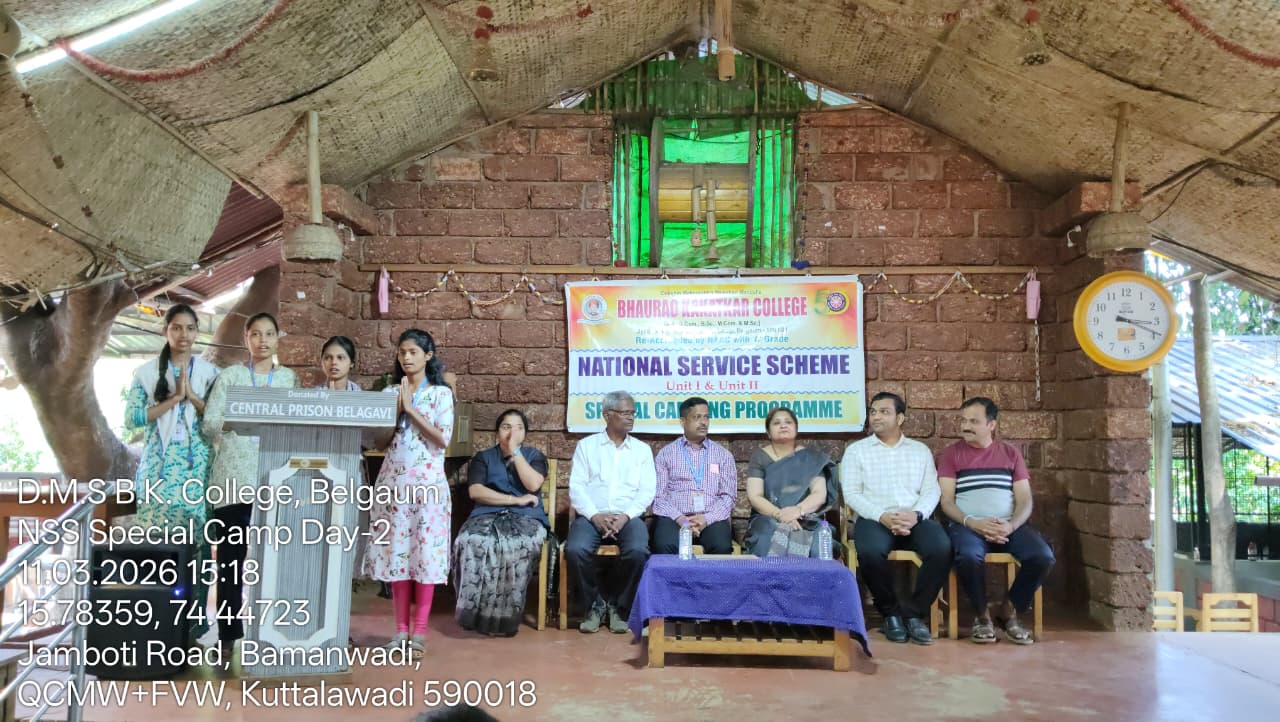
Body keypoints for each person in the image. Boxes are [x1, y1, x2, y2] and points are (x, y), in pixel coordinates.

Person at [203, 312, 297, 661]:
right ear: (246, 339)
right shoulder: (230, 377)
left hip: (275, 480)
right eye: (255, 334)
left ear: (277, 338)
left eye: (269, 334)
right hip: (233, 480)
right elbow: (210, 424)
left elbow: (295, 423)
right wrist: (242, 419)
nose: (262, 340)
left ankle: (274, 632)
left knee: (275, 560)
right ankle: (228, 635)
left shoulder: (287, 379)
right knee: (231, 563)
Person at [124, 303, 219, 641]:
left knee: (198, 547)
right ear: (165, 330)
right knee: (158, 546)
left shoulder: (210, 373)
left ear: (197, 332)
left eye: (190, 328)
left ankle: (193, 622)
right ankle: (159, 620)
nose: (183, 334)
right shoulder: (146, 373)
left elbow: (220, 420)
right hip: (159, 472)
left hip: (197, 471)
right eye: (176, 327)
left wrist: (192, 396)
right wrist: (174, 399)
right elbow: (132, 419)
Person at [364, 329, 454, 657]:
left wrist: (411, 410)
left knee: (424, 556)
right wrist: (395, 412)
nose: (407, 357)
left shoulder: (441, 394)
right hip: (393, 486)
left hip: (427, 488)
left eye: (413, 351)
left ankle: (419, 633)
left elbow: (442, 439)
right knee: (397, 555)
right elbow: (379, 442)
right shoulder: (391, 392)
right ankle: (400, 631)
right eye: (402, 352)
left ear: (428, 355)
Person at [938, 397, 1055, 645]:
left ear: (991, 425)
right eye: (963, 420)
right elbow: (946, 501)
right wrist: (973, 523)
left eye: (974, 421)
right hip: (968, 526)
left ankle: (1008, 611)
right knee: (968, 556)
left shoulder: (1010, 454)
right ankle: (982, 617)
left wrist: (1011, 525)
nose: (965, 426)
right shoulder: (951, 454)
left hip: (1008, 526)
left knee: (1042, 556)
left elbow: (1025, 500)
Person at [841, 392, 949, 645]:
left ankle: (914, 615)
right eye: (873, 412)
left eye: (884, 412)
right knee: (869, 551)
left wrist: (916, 515)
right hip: (875, 518)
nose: (876, 417)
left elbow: (932, 490)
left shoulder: (919, 451)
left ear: (900, 418)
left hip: (914, 517)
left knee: (942, 548)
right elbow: (852, 494)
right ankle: (890, 613)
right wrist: (882, 516)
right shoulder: (856, 451)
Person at [452, 409, 550, 636]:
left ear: (525, 434)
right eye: (506, 427)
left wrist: (515, 451)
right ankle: (473, 615)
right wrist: (514, 499)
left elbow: (533, 484)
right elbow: (476, 491)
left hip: (526, 518)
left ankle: (504, 619)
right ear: (497, 432)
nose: (512, 432)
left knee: (518, 544)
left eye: (518, 428)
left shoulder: (534, 456)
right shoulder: (483, 457)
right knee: (469, 540)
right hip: (486, 514)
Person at [565, 390, 656, 634]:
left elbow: (647, 491)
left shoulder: (641, 450)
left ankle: (618, 606)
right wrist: (595, 516)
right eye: (625, 413)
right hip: (591, 516)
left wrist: (625, 516)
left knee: (638, 551)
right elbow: (577, 488)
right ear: (607, 415)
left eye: (633, 413)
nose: (631, 417)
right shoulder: (587, 446)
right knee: (575, 549)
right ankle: (595, 605)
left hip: (629, 516)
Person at [744, 406, 838, 558]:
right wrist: (779, 514)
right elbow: (755, 496)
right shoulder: (760, 457)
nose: (783, 425)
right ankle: (770, 575)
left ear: (796, 429)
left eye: (788, 422)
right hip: (768, 517)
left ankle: (810, 575)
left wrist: (798, 510)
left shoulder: (810, 458)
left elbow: (819, 493)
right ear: (768, 432)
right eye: (777, 423)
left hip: (805, 517)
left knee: (818, 544)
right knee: (766, 538)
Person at [651, 397, 737, 555]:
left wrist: (706, 519)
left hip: (711, 517)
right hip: (675, 517)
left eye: (706, 417)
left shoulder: (723, 455)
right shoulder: (666, 454)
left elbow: (728, 496)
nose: (703, 422)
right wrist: (681, 519)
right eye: (697, 417)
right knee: (664, 545)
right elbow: (659, 497)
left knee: (721, 546)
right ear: (683, 421)